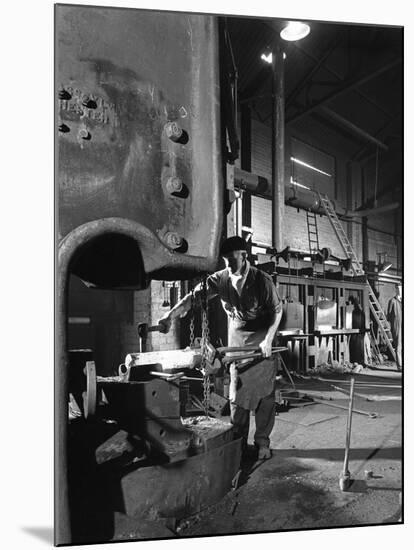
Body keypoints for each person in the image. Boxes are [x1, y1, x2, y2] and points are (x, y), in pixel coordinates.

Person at [158, 236, 283, 460]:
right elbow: (193, 297)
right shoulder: (221, 279)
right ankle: (239, 444)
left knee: (265, 399)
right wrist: (170, 315)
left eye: (231, 259)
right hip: (236, 346)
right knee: (238, 398)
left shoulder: (262, 280)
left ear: (244, 256)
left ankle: (263, 443)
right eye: (224, 260)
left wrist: (269, 340)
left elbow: (277, 310)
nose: (227, 265)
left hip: (262, 343)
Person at [387, 283, 402, 370]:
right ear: (395, 289)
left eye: (401, 288)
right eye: (398, 288)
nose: (399, 290)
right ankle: (400, 366)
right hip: (397, 326)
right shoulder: (392, 301)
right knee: (398, 346)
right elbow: (388, 316)